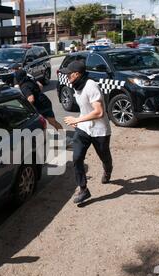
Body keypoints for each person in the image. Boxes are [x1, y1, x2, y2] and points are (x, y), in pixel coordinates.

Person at [61, 61, 113, 204]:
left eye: (68, 74)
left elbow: (99, 112)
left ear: (77, 74)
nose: (66, 76)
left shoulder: (91, 86)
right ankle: (83, 189)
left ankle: (108, 170)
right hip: (84, 129)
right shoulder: (77, 86)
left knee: (104, 156)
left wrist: (77, 119)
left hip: (99, 130)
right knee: (77, 158)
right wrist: (80, 121)